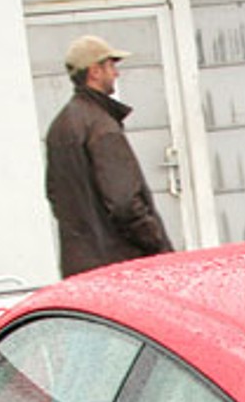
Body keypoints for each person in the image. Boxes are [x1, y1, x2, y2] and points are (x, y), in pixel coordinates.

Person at [44, 35, 173, 277]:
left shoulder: (59, 127)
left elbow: (54, 195)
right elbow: (125, 204)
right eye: (111, 66)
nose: (116, 73)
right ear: (94, 71)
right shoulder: (102, 127)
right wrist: (158, 245)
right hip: (120, 266)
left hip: (80, 268)